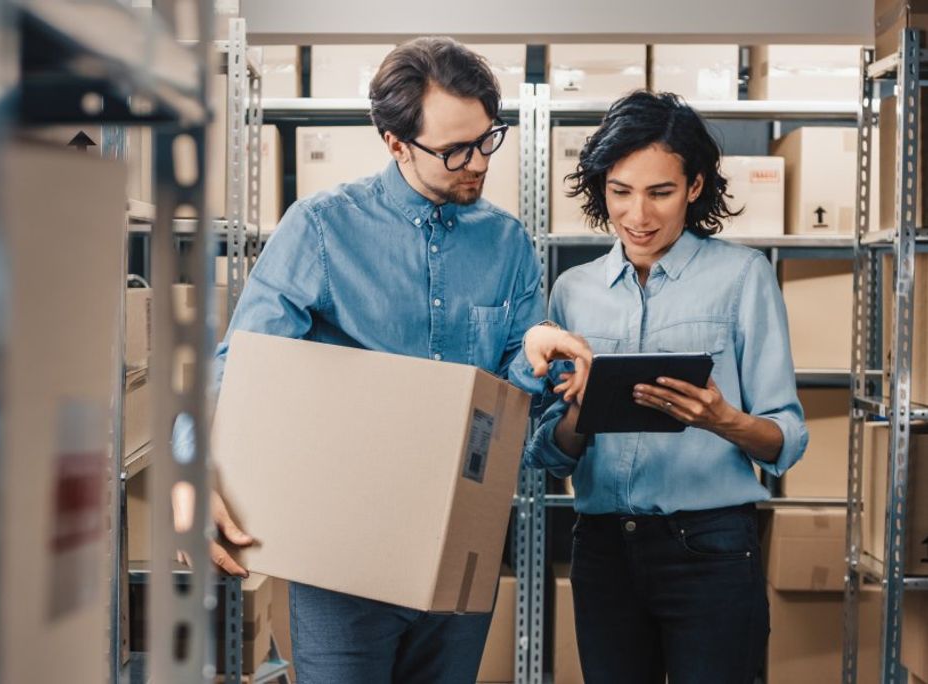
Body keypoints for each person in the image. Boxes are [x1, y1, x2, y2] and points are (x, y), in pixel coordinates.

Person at [201, 37, 591, 683]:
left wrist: (534, 367)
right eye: (454, 151)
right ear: (394, 143)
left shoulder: (508, 245)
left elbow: (515, 426)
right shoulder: (322, 228)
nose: (477, 164)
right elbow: (240, 367)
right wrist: (198, 462)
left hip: (459, 550)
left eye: (487, 139)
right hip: (341, 558)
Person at [525, 91, 809, 684]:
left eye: (661, 192)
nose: (638, 216)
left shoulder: (742, 277)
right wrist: (578, 409)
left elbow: (786, 439)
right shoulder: (573, 291)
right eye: (620, 191)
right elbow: (550, 455)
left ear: (696, 186)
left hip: (710, 547)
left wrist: (719, 418)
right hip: (602, 549)